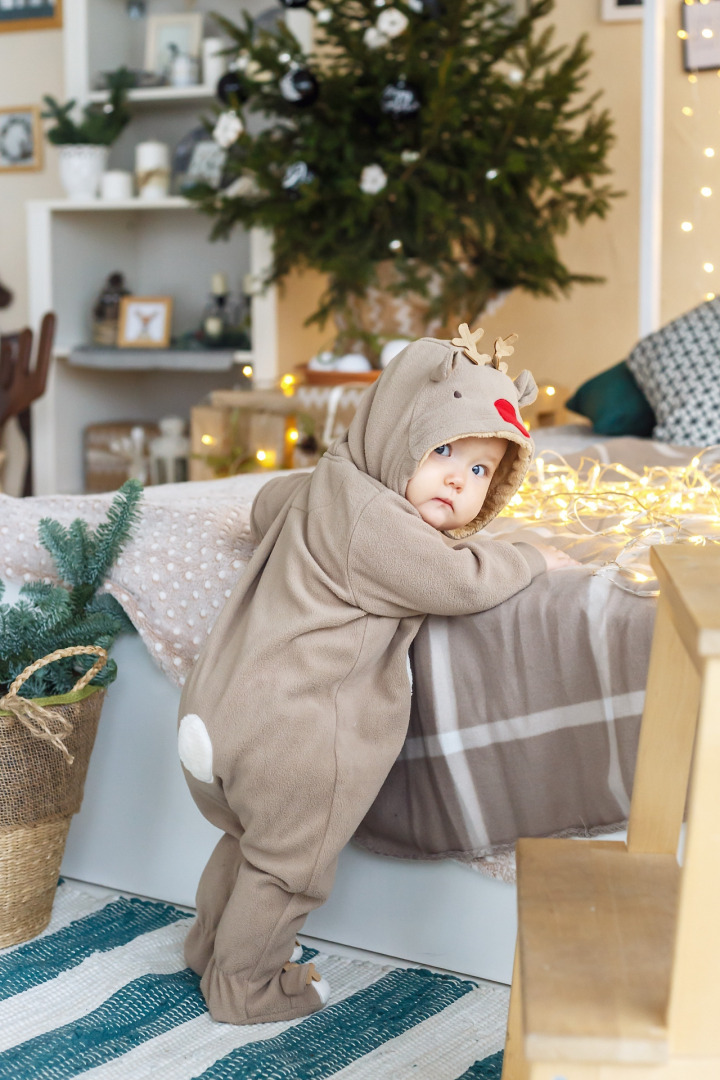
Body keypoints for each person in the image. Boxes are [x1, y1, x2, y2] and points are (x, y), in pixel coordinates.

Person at [176, 328, 578, 1026]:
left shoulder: (323, 483)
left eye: (483, 471)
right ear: (396, 432)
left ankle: (208, 947)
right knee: (287, 871)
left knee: (245, 841)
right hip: (295, 732)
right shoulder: (379, 524)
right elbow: (457, 579)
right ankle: (246, 988)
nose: (459, 479)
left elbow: (267, 503)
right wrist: (534, 558)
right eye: (444, 451)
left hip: (214, 713)